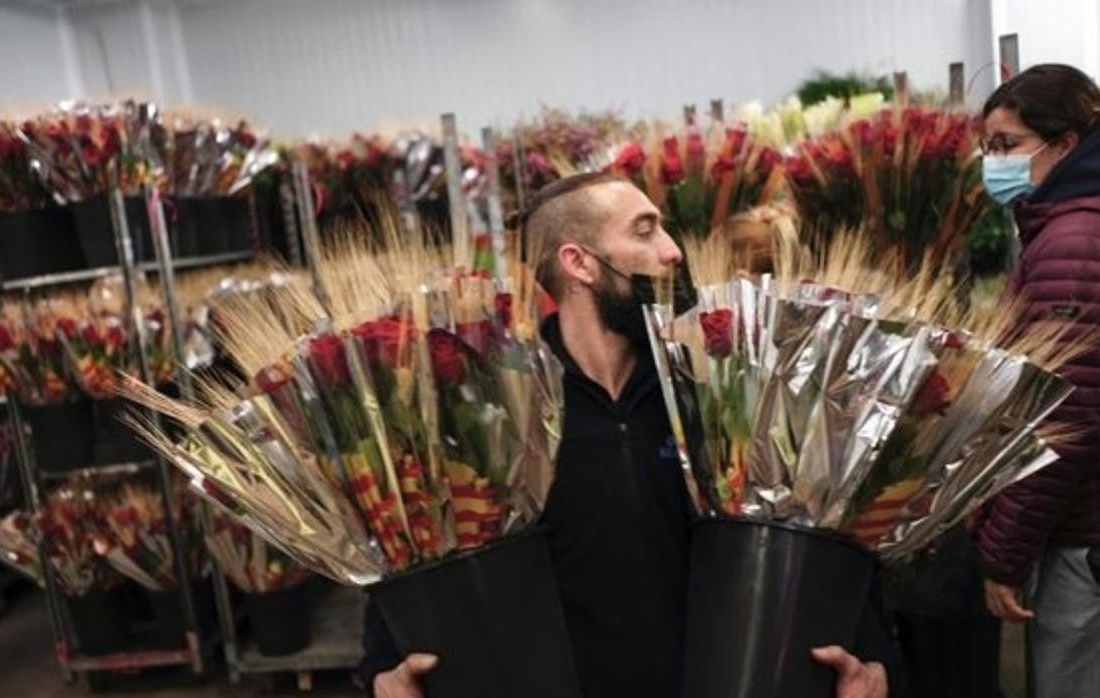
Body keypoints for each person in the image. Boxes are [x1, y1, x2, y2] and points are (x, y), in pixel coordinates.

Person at [361, 172, 888, 698]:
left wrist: (869, 658)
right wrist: (384, 670)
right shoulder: (498, 405)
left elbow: (813, 531)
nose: (674, 251)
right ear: (579, 263)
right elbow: (419, 552)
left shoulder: (716, 384)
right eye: (645, 232)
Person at [974, 64, 1100, 696]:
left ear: (1065, 144)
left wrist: (1002, 552)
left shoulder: (1081, 241)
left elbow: (1059, 422)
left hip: (1092, 543)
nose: (992, 162)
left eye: (1007, 145)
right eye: (988, 146)